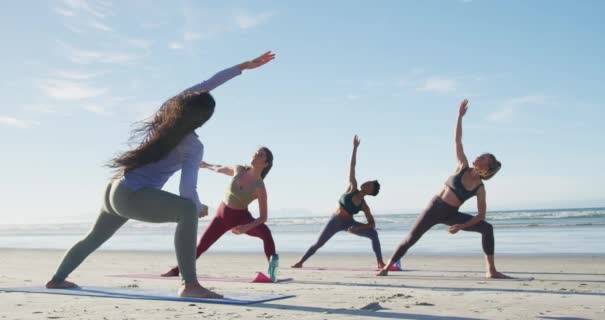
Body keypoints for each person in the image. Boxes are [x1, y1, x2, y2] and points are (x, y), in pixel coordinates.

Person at [44, 51, 276, 298]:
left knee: (93, 238)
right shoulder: (193, 146)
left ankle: (57, 279)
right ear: (204, 119)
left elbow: (207, 83)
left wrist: (242, 66)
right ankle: (190, 285)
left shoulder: (166, 113)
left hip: (114, 189)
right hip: (132, 196)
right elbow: (187, 191)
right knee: (187, 210)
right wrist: (198, 206)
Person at [377, 99, 509, 278]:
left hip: (451, 214)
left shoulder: (480, 188)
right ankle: (386, 268)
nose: (479, 155)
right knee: (411, 238)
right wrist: (459, 117)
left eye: (484, 157)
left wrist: (461, 225)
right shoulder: (462, 166)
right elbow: (457, 141)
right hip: (434, 208)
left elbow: (481, 216)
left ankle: (491, 270)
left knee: (487, 228)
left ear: (487, 167)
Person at [161, 147, 279, 281]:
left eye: (261, 155)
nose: (256, 154)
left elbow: (263, 217)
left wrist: (247, 227)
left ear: (266, 164)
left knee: (266, 233)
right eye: (256, 152)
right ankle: (176, 270)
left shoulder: (260, 187)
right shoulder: (239, 170)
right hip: (222, 216)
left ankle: (273, 272)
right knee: (201, 246)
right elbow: (220, 168)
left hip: (242, 218)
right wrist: (207, 165)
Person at [292, 135, 385, 269]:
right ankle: (300, 262)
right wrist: (354, 148)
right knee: (319, 243)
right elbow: (352, 166)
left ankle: (380, 262)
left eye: (370, 185)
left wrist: (358, 227)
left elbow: (372, 224)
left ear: (370, 192)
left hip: (349, 223)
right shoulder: (353, 186)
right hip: (334, 221)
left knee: (373, 234)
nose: (367, 183)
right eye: (368, 182)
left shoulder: (364, 206)